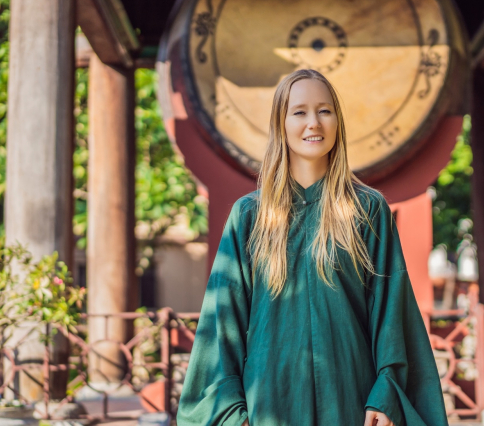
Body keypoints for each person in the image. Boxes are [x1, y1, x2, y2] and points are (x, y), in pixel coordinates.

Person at [177, 69, 447, 426]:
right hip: (268, 405)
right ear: (281, 123)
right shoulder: (250, 216)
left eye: (324, 110)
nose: (313, 123)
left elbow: (391, 312)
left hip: (350, 401)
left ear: (337, 121)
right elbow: (222, 322)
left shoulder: (367, 210)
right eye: (299, 112)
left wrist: (386, 394)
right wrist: (231, 413)